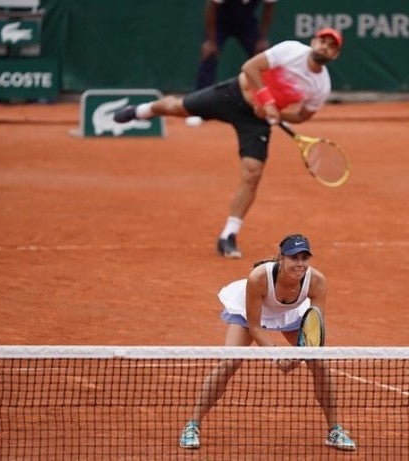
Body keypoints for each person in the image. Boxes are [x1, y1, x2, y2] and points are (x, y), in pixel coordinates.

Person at [113, 28, 343, 259]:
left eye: (331, 46)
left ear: (335, 56)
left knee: (252, 173)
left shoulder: (321, 87)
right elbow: (250, 67)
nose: (325, 46)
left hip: (256, 121)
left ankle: (228, 236)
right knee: (176, 108)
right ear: (313, 41)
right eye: (322, 40)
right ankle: (141, 111)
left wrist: (273, 114)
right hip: (232, 96)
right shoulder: (291, 50)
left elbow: (302, 116)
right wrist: (267, 100)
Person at [177, 234, 357, 451]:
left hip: (290, 313)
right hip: (253, 313)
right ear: (281, 258)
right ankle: (192, 425)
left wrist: (300, 355)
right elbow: (255, 326)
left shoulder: (316, 281)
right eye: (294, 258)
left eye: (304, 258)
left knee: (320, 365)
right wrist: (277, 356)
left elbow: (314, 329)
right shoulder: (258, 278)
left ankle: (335, 430)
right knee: (229, 362)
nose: (299, 264)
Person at [186, 0, 277, 126]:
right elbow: (211, 8)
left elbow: (269, 8)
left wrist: (262, 38)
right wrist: (211, 41)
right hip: (220, 23)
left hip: (247, 24)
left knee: (262, 60)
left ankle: (272, 108)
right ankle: (198, 110)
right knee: (209, 55)